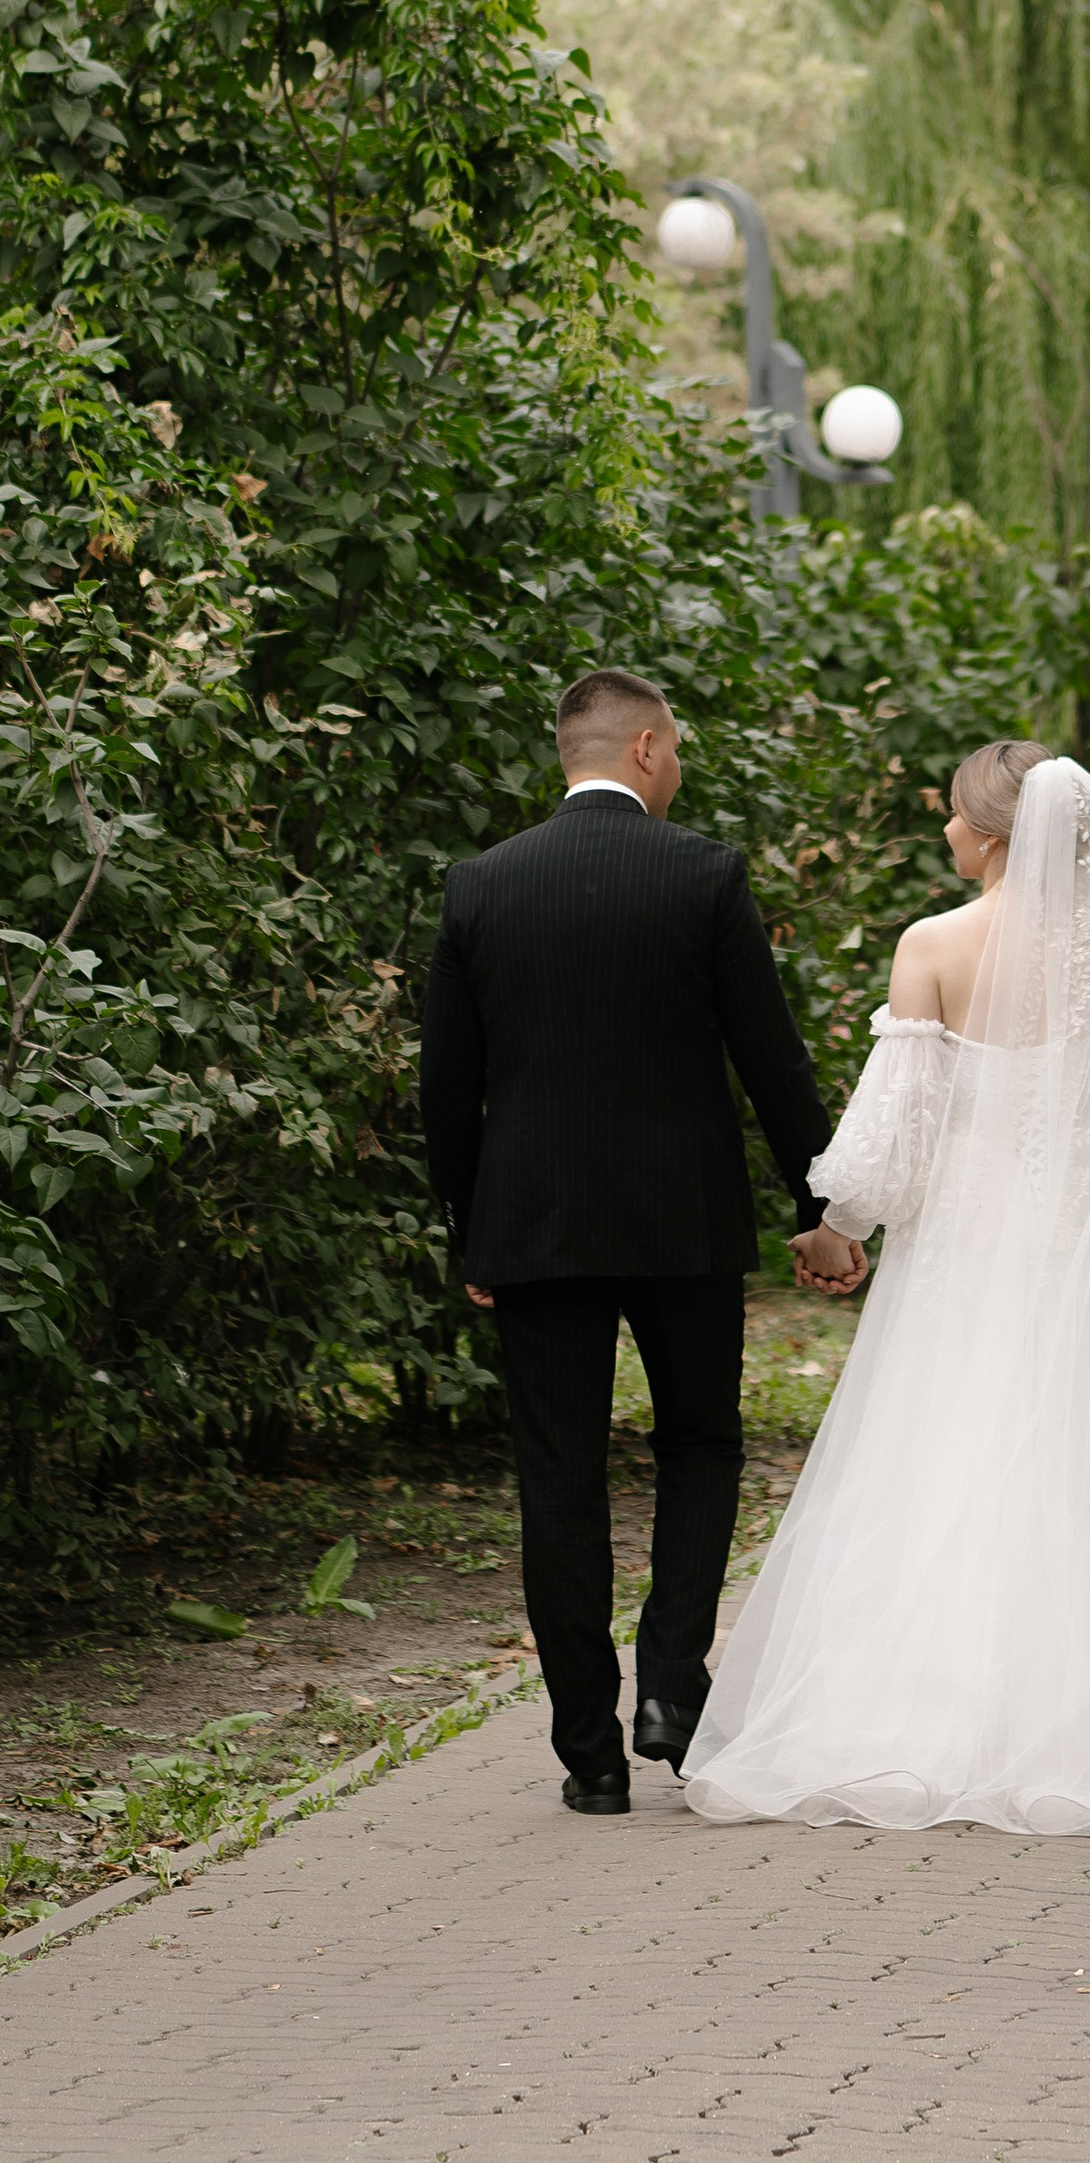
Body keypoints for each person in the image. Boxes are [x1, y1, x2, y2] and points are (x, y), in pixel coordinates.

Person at [680, 740, 1090, 1844]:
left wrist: (835, 1229)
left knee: (947, 1452)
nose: (944, 834)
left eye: (954, 819)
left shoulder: (932, 944)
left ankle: (930, 1716)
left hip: (967, 1249)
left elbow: (894, 1123)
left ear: (992, 835)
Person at [416, 668, 865, 1815]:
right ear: (651, 746)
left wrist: (473, 1230)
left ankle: (589, 1753)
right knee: (701, 1446)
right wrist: (820, 1206)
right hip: (684, 1221)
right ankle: (671, 1684)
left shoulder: (481, 884)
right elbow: (771, 1058)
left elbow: (447, 1088)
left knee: (557, 1475)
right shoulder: (703, 873)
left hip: (533, 1227)